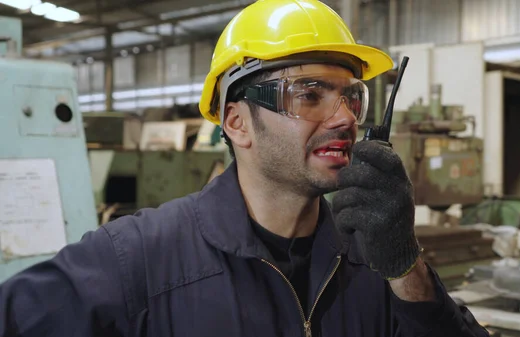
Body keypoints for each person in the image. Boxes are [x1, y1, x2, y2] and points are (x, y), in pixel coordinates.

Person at [0, 0, 490, 336]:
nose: (344, 117)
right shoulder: (139, 259)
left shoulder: (374, 261)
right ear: (237, 122)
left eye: (351, 97)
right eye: (310, 95)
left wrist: (406, 268)